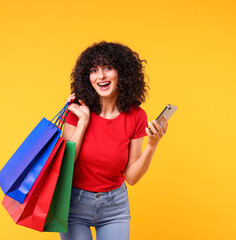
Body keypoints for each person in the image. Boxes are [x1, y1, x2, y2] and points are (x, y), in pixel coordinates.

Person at [60, 41, 168, 240]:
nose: (100, 76)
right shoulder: (77, 110)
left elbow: (131, 178)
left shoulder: (136, 116)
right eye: (94, 70)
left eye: (108, 68)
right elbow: (65, 163)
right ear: (88, 77)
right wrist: (83, 122)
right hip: (74, 204)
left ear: (122, 73)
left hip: (114, 207)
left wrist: (152, 146)